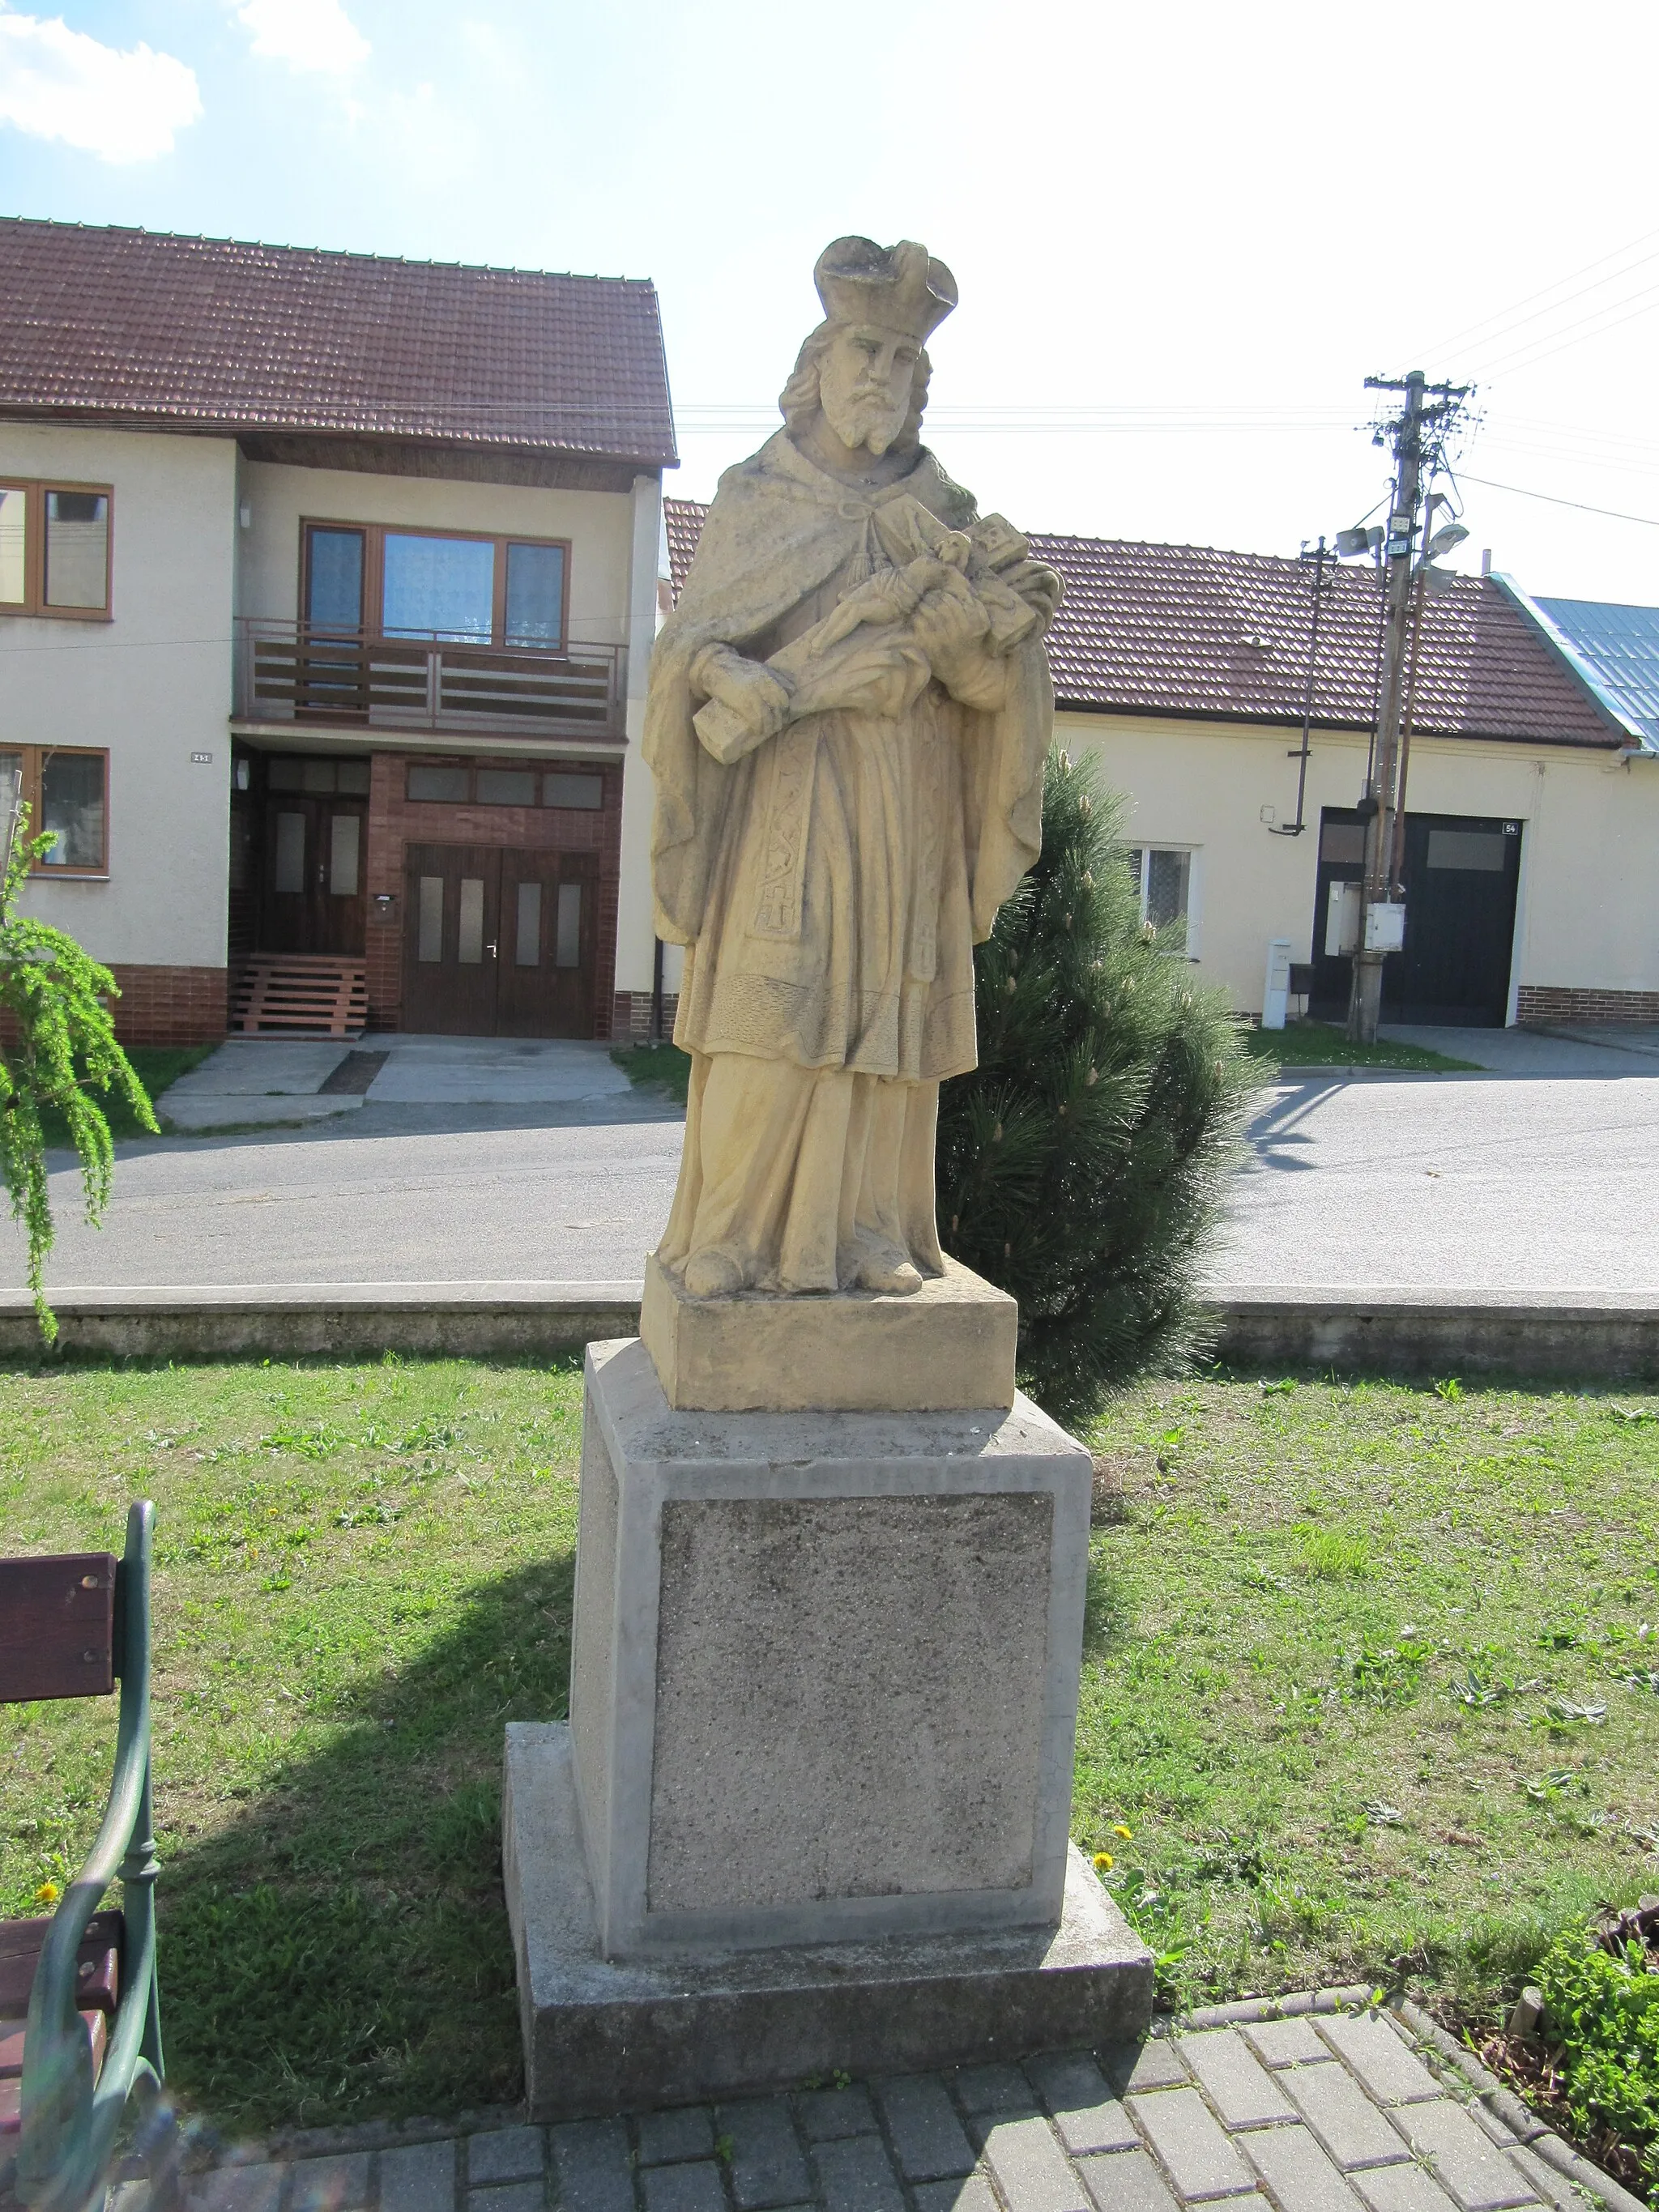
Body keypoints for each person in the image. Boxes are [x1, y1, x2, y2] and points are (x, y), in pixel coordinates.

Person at [645, 236, 1060, 1298]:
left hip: (903, 799)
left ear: (922, 387)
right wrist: (735, 678)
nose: (881, 373)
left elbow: (989, 691)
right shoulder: (755, 497)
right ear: (817, 363)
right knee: (766, 1013)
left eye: (902, 360)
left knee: (887, 1015)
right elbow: (689, 652)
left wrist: (974, 646)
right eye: (862, 348)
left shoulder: (949, 518)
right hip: (784, 795)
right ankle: (730, 1237)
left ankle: (870, 1232)